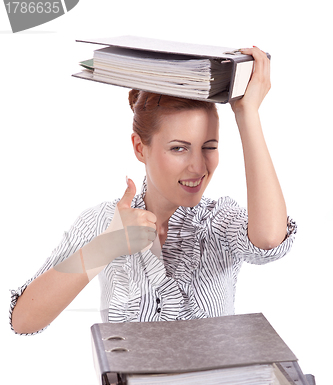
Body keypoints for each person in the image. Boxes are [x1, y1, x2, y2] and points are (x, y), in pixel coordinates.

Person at [10, 47, 296, 335]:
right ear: (140, 148)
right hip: (128, 381)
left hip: (215, 382)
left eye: (209, 147)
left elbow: (270, 240)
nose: (198, 167)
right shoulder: (106, 221)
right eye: (179, 148)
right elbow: (24, 321)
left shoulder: (217, 221)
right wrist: (105, 247)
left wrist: (247, 114)